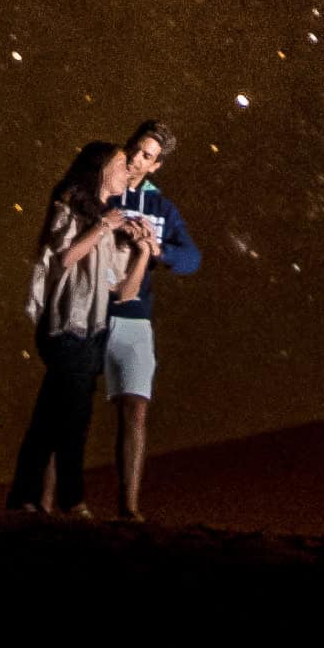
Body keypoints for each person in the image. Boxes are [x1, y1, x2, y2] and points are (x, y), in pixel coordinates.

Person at [7, 139, 149, 515]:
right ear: (101, 170)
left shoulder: (115, 220)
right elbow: (64, 257)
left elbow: (122, 291)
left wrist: (143, 252)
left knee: (52, 415)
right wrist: (102, 226)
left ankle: (24, 497)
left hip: (92, 332)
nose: (128, 172)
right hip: (65, 325)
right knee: (74, 416)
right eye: (121, 166)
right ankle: (73, 501)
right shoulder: (70, 207)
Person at [91, 117, 203, 521]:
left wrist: (158, 252)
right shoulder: (101, 187)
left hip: (135, 314)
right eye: (137, 149)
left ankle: (129, 507)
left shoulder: (161, 206)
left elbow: (192, 258)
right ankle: (49, 502)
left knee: (136, 407)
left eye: (149, 156)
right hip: (90, 310)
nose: (139, 159)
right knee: (71, 402)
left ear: (157, 165)